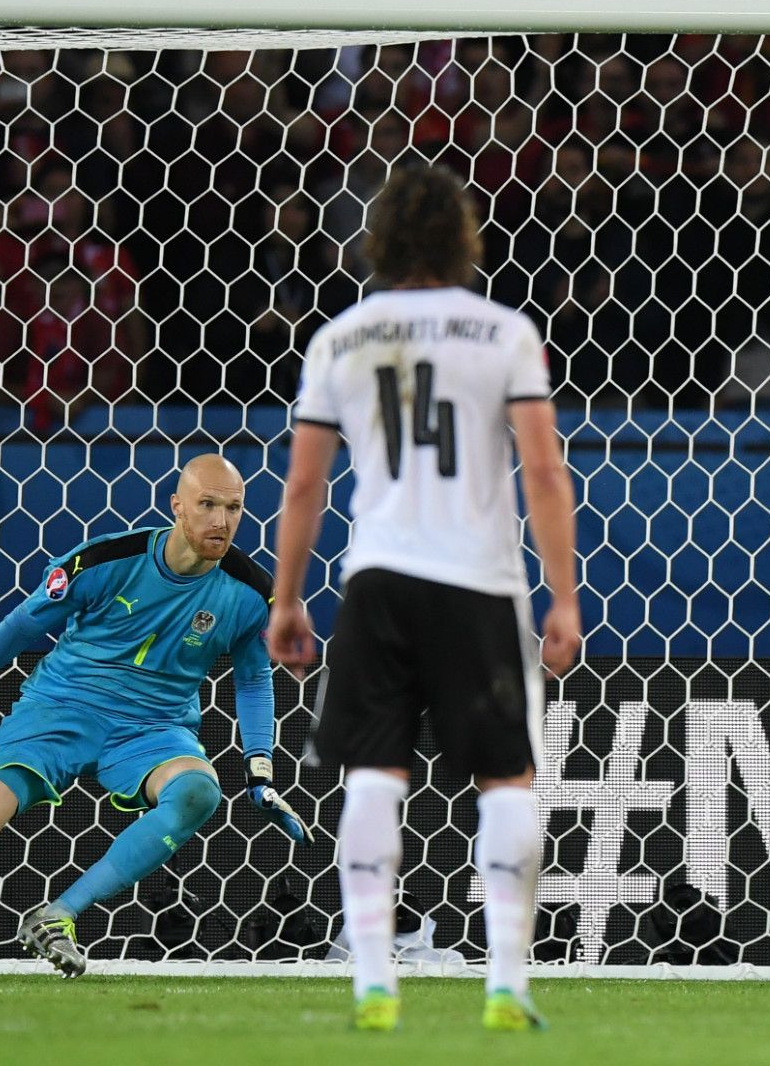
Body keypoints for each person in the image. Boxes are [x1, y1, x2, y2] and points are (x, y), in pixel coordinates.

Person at [267, 163, 580, 1033]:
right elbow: (544, 473)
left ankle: (372, 977)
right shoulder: (504, 334)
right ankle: (508, 984)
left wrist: (287, 599)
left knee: (374, 773)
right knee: (505, 777)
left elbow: (303, 485)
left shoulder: (341, 338)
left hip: (379, 579)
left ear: (379, 242)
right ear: (462, 239)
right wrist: (563, 596)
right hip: (479, 582)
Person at [0, 455, 309, 983]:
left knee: (198, 792)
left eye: (233, 508)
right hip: (60, 710)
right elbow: (22, 626)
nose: (220, 521)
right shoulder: (105, 560)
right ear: (177, 506)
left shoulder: (253, 592)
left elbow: (254, 678)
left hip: (153, 728)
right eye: (207, 505)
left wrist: (260, 773)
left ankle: (59, 914)